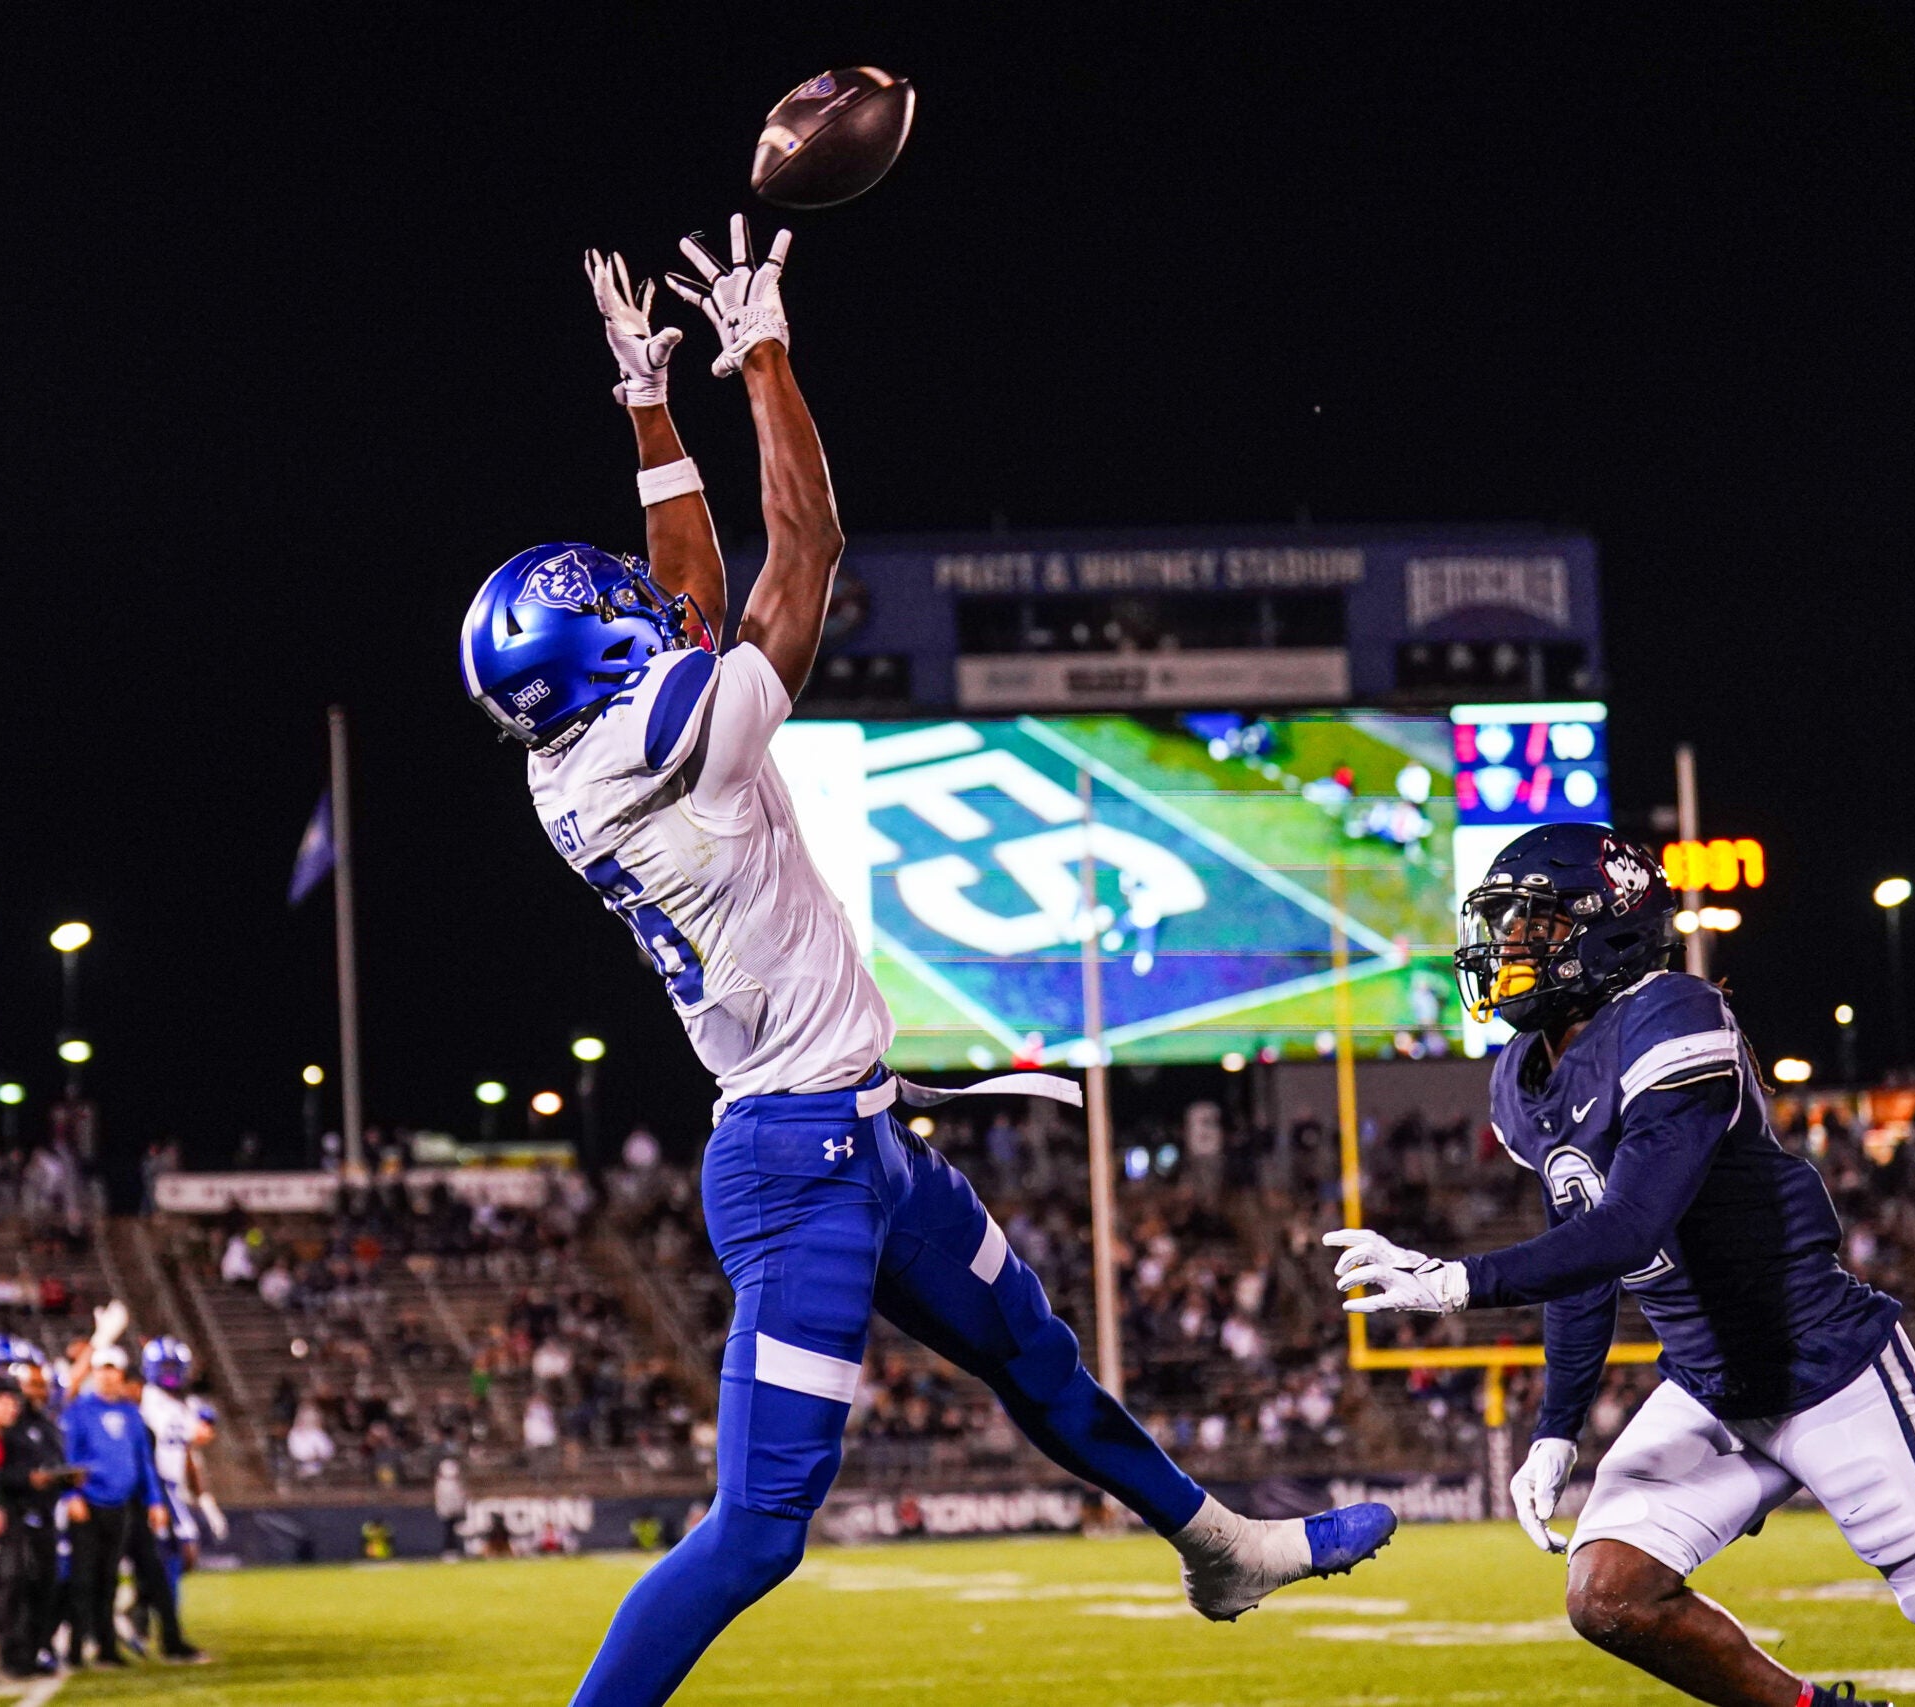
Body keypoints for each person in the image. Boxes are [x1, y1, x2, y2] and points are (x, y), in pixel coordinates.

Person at [456, 216, 1393, 1707]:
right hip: (799, 1163)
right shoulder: (660, 743)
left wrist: (649, 400)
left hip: (861, 1141)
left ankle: (1221, 1544)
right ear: (597, 669)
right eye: (617, 615)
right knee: (759, 1530)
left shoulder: (583, 748)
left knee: (1037, 1354)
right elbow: (802, 552)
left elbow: (681, 585)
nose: (644, 606)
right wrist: (761, 349)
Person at [1329, 823, 1915, 1707]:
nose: (1505, 950)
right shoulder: (1524, 1077)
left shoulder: (1672, 1016)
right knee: (1609, 1595)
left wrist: (1456, 1282)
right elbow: (1586, 1261)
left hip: (1825, 1367)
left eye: (1531, 929)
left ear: (1606, 927)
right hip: (1711, 1383)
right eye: (1503, 929)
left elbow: (1627, 1229)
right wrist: (1556, 1426)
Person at [60, 1347, 164, 1668]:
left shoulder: (131, 1414)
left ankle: (107, 1648)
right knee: (83, 1579)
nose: (106, 1375)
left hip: (120, 1506)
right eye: (101, 1369)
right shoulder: (78, 1411)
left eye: (112, 1369)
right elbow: (66, 1457)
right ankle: (75, 1649)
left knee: (108, 1580)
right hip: (88, 1505)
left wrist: (155, 1501)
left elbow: (143, 1461)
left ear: (120, 1374)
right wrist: (70, 1496)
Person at [0, 1369, 75, 1680]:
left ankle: (36, 1648)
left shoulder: (47, 1426)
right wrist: (27, 1479)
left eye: (42, 1385)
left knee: (46, 1584)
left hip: (45, 1514)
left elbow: (55, 1462)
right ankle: (12, 1652)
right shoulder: (4, 1429)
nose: (38, 1392)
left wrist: (65, 1478)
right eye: (30, 1386)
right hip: (14, 1513)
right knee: (14, 1582)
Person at [122, 1347, 203, 1662]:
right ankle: (144, 1616)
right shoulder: (149, 1401)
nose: (170, 1372)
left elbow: (185, 1453)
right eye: (164, 1365)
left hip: (171, 1487)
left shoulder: (177, 1405)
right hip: (155, 1489)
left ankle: (142, 1615)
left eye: (174, 1365)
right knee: (180, 1553)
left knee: (168, 1559)